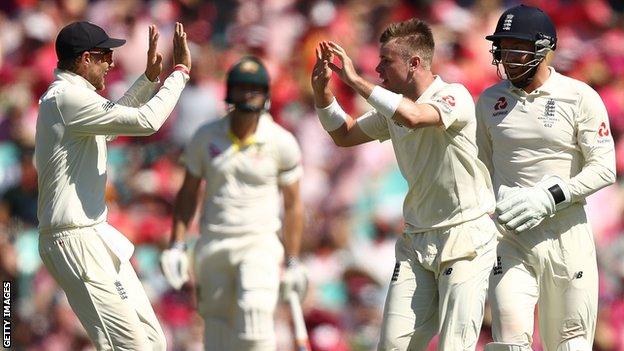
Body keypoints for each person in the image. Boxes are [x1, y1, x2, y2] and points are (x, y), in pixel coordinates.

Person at [311, 18, 498, 350]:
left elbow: (414, 116)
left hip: (466, 238)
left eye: (386, 61)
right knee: (393, 346)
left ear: (414, 63)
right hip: (417, 240)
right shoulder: (390, 110)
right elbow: (344, 134)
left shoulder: (453, 96)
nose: (377, 68)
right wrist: (323, 95)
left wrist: (355, 80)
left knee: (455, 345)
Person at [35, 21, 191, 350]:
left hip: (93, 234)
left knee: (152, 342)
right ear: (85, 59)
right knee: (128, 347)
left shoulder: (77, 101)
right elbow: (147, 121)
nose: (111, 62)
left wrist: (149, 80)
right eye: (105, 55)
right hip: (74, 239)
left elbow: (115, 121)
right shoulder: (66, 98)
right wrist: (179, 73)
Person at [476, 5, 617, 351]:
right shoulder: (489, 101)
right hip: (510, 238)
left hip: (567, 237)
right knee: (508, 341)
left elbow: (604, 168)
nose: (507, 57)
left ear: (543, 48)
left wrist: (550, 196)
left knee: (571, 344)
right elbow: (479, 169)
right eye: (502, 48)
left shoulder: (579, 96)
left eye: (516, 47)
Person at [160, 56, 307, 351]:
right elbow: (188, 193)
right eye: (241, 88)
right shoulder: (205, 136)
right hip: (214, 242)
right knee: (217, 331)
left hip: (259, 243)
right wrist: (177, 244)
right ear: (229, 92)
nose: (248, 95)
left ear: (266, 94)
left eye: (254, 88)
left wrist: (292, 261)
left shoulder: (281, 141)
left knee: (254, 316)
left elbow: (293, 206)